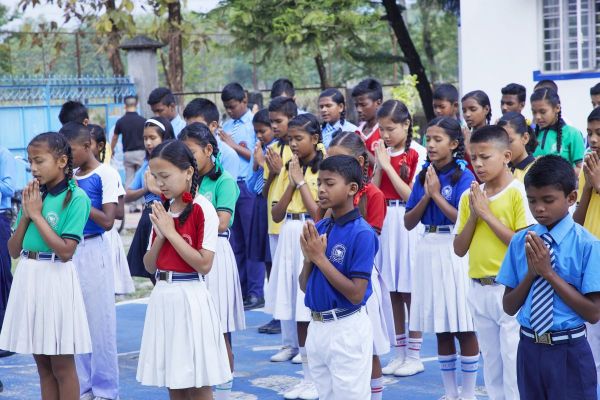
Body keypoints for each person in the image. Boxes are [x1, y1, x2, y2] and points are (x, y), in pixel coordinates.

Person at [498, 154, 600, 400]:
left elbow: (593, 313)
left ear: (571, 198)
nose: (539, 208)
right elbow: (509, 306)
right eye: (532, 201)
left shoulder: (588, 245)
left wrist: (548, 273)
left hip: (569, 351)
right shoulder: (520, 241)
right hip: (529, 348)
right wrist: (532, 274)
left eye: (548, 200)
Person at [137, 140, 231, 399]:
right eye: (156, 177)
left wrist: (170, 232)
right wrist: (161, 234)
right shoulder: (163, 209)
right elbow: (149, 264)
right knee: (174, 378)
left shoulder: (203, 209)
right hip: (164, 297)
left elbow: (204, 263)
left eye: (165, 176)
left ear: (188, 172)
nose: (161, 183)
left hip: (191, 297)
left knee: (198, 379)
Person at [0, 132, 92, 400]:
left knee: (62, 365)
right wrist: (27, 216)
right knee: (42, 365)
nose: (34, 168)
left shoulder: (76, 199)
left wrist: (37, 215)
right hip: (29, 277)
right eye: (30, 162)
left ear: (62, 160)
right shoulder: (33, 196)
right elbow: (14, 250)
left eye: (39, 161)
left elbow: (65, 251)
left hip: (56, 279)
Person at [453, 125, 535, 400]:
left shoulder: (518, 192)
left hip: (509, 290)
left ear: (506, 156)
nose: (478, 163)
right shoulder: (470, 196)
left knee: (512, 362)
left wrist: (487, 215)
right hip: (478, 287)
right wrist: (476, 215)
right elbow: (459, 248)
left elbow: (524, 245)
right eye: (473, 157)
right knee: (491, 363)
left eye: (485, 157)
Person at [404, 117, 480, 400]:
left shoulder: (465, 176)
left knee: (462, 323)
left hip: (454, 247)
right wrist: (427, 195)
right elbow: (409, 221)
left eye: (438, 139)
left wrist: (436, 196)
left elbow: (463, 218)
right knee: (441, 325)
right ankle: (450, 392)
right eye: (428, 139)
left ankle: (469, 393)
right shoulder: (423, 175)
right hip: (428, 247)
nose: (431, 145)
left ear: (455, 144)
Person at [299, 154, 378, 400]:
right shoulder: (320, 227)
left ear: (351, 189)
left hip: (346, 327)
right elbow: (304, 285)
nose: (321, 189)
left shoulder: (362, 233)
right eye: (319, 183)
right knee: (325, 395)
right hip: (317, 325)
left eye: (329, 183)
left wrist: (320, 258)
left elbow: (356, 293)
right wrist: (308, 259)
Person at [179, 122, 245, 399]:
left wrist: (187, 223)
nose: (188, 159)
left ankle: (226, 390)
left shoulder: (224, 181)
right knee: (195, 329)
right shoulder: (188, 179)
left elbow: (222, 222)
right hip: (190, 254)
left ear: (209, 149)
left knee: (219, 329)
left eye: (192, 152)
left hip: (215, 255)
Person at [328, 132, 393, 400]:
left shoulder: (373, 195)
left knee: (370, 347)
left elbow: (370, 238)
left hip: (361, 277)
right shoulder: (330, 194)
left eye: (337, 161)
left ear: (357, 161)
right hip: (333, 273)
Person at [265, 114, 324, 400]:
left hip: (310, 230)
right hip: (288, 230)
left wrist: (301, 182)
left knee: (308, 305)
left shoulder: (323, 169)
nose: (293, 144)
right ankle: (307, 377)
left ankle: (318, 377)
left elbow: (318, 213)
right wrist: (290, 179)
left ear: (314, 138)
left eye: (298, 138)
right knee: (294, 306)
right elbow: (276, 213)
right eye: (290, 140)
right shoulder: (292, 167)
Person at [61, 122, 120, 400]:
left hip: (94, 248)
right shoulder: (70, 175)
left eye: (70, 151)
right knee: (75, 322)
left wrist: (79, 195)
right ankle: (83, 387)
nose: (67, 158)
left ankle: (106, 390)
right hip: (69, 250)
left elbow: (109, 220)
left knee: (100, 322)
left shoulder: (105, 174)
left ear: (88, 146)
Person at [371, 100, 424, 377]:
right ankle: (400, 350)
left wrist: (388, 166)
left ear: (406, 124)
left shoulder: (417, 153)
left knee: (409, 287)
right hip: (386, 220)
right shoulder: (383, 151)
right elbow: (375, 191)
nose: (386, 135)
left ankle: (415, 353)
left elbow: (411, 196)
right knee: (390, 286)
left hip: (407, 219)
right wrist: (380, 165)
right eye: (381, 130)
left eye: (390, 129)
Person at [220, 82, 264, 310]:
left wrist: (232, 144)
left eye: (234, 106)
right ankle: (241, 289)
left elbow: (255, 155)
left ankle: (256, 292)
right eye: (227, 107)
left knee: (251, 241)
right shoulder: (227, 125)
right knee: (235, 241)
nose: (230, 110)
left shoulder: (253, 125)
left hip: (247, 186)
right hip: (230, 186)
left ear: (244, 101)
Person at [261, 96, 298, 341]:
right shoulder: (272, 150)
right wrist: (274, 172)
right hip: (275, 222)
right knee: (283, 285)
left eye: (279, 121)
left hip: (296, 221)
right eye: (271, 122)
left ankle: (301, 341)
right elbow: (264, 190)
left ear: (291, 120)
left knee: (297, 283)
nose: (274, 126)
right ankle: (288, 341)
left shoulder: (304, 149)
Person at [125, 117, 175, 284]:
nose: (148, 142)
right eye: (145, 138)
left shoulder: (174, 164)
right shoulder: (147, 165)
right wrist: (146, 189)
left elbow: (175, 194)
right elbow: (128, 194)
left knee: (166, 264)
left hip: (165, 215)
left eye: (153, 138)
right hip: (148, 216)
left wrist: (155, 189)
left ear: (165, 138)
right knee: (151, 267)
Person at [89, 124, 135, 295]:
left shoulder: (109, 173)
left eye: (89, 144)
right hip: (84, 240)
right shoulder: (75, 174)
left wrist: (92, 204)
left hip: (104, 236)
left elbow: (119, 213)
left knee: (105, 291)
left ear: (100, 146)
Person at [574, 107, 600, 383]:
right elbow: (578, 220)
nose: (593, 139)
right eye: (590, 133)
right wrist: (588, 187)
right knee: (591, 341)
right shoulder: (589, 167)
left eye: (599, 134)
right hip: (591, 256)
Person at [248, 110, 275, 293]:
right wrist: (256, 164)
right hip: (259, 201)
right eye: (256, 131)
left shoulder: (277, 149)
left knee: (273, 255)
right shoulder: (260, 149)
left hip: (273, 202)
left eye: (263, 131)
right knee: (265, 255)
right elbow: (252, 183)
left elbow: (280, 175)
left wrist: (263, 163)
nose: (259, 135)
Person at [531, 88, 585, 175]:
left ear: (557, 108)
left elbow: (582, 171)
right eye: (534, 112)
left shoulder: (572, 134)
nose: (537, 117)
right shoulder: (531, 135)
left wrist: (551, 166)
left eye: (543, 112)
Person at [182, 97, 240, 178]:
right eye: (188, 126)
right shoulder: (184, 148)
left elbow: (228, 188)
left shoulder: (228, 155)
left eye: (197, 126)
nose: (191, 130)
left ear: (213, 126)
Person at [110, 95, 146, 212]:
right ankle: (145, 204)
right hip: (141, 153)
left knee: (130, 179)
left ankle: (132, 206)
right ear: (136, 105)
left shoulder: (121, 121)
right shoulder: (143, 120)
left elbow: (115, 137)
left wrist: (112, 149)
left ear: (125, 106)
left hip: (128, 154)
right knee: (143, 178)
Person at [0, 144, 15, 359]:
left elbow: (10, 188)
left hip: (0, 217)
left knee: (2, 276)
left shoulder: (2, 152)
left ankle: (8, 336)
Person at [352, 78, 384, 170]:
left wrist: (362, 149)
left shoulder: (385, 132)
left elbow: (385, 168)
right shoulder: (357, 132)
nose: (358, 109)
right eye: (356, 105)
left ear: (378, 103)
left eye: (363, 105)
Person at [497, 112, 538, 183]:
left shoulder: (536, 171)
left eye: (509, 141)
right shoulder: (500, 171)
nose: (504, 147)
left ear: (525, 138)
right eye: (501, 142)